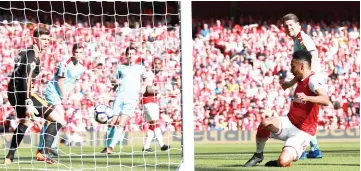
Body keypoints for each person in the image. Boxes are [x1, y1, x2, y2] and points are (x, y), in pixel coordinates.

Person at [244, 50, 329, 167]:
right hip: (289, 122)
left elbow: (325, 100)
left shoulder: (313, 80)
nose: (291, 69)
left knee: (283, 161)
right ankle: (258, 155)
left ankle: (282, 161)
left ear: (302, 66)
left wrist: (307, 98)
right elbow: (297, 79)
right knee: (266, 123)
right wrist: (289, 84)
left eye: (293, 66)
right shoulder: (301, 76)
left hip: (303, 132)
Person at [3, 27, 65, 164]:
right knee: (58, 120)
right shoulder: (32, 55)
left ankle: (9, 157)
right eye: (43, 39)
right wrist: (28, 103)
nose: (47, 42)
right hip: (24, 94)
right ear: (35, 39)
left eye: (48, 39)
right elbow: (26, 78)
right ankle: (42, 152)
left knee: (26, 122)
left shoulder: (25, 52)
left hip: (14, 93)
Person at [280, 13, 323, 159]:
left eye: (291, 25)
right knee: (304, 114)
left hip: (311, 80)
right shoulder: (296, 41)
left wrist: (311, 79)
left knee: (301, 113)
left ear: (298, 25)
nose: (289, 28)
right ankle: (313, 148)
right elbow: (300, 69)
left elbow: (314, 57)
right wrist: (291, 83)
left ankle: (306, 147)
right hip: (308, 79)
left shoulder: (302, 39)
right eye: (286, 26)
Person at [36, 43, 86, 157]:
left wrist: (66, 95)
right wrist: (63, 96)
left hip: (62, 93)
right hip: (53, 91)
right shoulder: (65, 63)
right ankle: (51, 146)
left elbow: (74, 82)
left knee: (50, 120)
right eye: (76, 52)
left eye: (80, 52)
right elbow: (59, 81)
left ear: (83, 54)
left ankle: (42, 147)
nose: (78, 55)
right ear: (73, 52)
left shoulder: (81, 67)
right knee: (59, 118)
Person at [100, 47, 147, 154]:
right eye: (129, 54)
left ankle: (110, 147)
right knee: (112, 122)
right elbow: (113, 80)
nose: (130, 55)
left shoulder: (140, 68)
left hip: (131, 99)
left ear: (136, 55)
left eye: (132, 53)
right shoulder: (121, 68)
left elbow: (146, 79)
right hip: (119, 97)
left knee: (121, 123)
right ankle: (107, 145)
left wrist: (144, 86)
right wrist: (114, 82)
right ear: (126, 55)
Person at [142, 58, 170, 152]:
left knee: (152, 124)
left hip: (151, 101)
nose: (157, 65)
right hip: (149, 101)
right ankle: (162, 145)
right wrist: (159, 91)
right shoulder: (150, 75)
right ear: (152, 65)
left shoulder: (153, 75)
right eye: (155, 63)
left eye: (159, 63)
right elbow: (147, 90)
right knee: (154, 123)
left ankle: (146, 146)